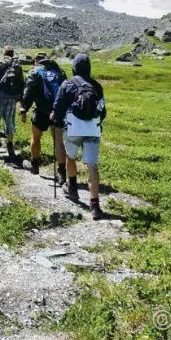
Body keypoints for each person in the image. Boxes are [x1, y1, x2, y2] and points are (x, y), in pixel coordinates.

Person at [51, 53, 107, 220]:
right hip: (93, 129)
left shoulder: (67, 84)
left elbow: (58, 108)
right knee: (92, 165)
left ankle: (72, 187)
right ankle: (95, 205)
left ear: (74, 67)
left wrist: (57, 119)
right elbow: (102, 111)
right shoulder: (97, 86)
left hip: (74, 128)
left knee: (70, 156)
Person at [21, 52, 67, 178]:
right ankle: (61, 172)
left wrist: (23, 108)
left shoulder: (35, 71)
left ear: (36, 60)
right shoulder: (60, 71)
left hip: (41, 109)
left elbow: (28, 91)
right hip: (57, 111)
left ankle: (34, 165)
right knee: (58, 141)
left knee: (35, 137)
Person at [0, 46, 25, 162]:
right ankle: (10, 147)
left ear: (4, 53)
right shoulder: (17, 66)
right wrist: (20, 98)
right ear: (12, 54)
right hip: (12, 98)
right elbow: (22, 83)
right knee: (9, 121)